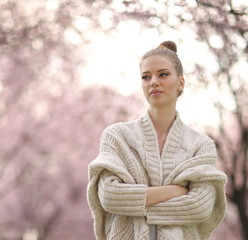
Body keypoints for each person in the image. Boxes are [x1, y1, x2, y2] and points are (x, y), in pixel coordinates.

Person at [87, 41, 227, 240]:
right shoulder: (117, 136)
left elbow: (199, 206)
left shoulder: (201, 145)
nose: (153, 81)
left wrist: (135, 203)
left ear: (180, 82)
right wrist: (176, 191)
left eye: (163, 74)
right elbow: (109, 196)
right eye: (146, 77)